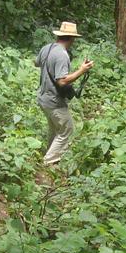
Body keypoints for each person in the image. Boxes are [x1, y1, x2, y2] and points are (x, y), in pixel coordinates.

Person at [36, 21, 94, 165]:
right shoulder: (62, 55)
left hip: (43, 97)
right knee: (67, 129)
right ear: (72, 38)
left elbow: (37, 63)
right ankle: (49, 161)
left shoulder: (47, 48)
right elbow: (61, 81)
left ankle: (50, 155)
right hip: (54, 101)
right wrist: (82, 70)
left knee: (55, 129)